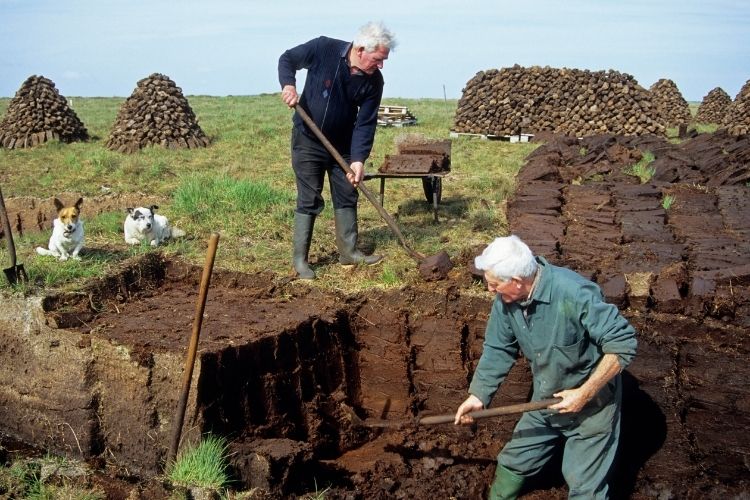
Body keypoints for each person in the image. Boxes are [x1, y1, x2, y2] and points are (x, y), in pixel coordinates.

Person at [454, 235, 637, 499]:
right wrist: (478, 395)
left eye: (494, 285)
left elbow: (623, 343)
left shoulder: (574, 293)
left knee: (585, 488)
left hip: (592, 407)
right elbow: (498, 348)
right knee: (514, 460)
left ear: (516, 281)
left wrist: (585, 393)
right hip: (545, 400)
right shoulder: (506, 302)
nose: (490, 291)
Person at [278, 22, 397, 279]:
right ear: (362, 49)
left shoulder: (374, 82)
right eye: (378, 58)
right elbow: (287, 59)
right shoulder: (324, 48)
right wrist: (288, 85)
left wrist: (357, 160)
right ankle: (300, 260)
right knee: (309, 198)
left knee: (347, 193)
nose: (381, 64)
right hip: (308, 140)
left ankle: (349, 252)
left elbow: (365, 123)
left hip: (342, 145)